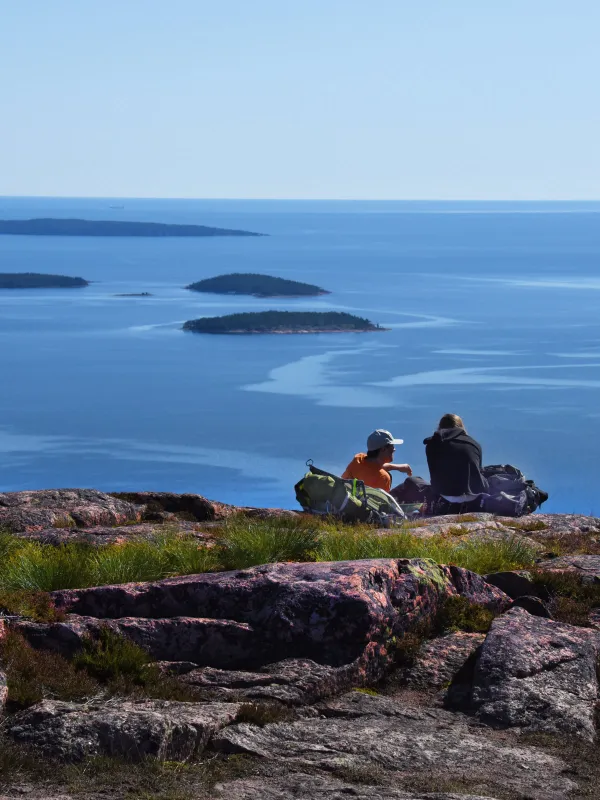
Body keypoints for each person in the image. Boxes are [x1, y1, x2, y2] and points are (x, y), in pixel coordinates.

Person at [423, 413, 488, 508]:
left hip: (445, 497)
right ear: (461, 426)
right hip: (474, 498)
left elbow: (434, 476)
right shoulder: (474, 444)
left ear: (440, 426)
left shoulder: (432, 444)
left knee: (414, 481)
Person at [343, 429, 412, 492]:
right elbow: (382, 504)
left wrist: (397, 467)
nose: (394, 449)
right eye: (392, 446)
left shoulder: (358, 459)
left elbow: (372, 468)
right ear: (383, 449)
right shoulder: (383, 478)